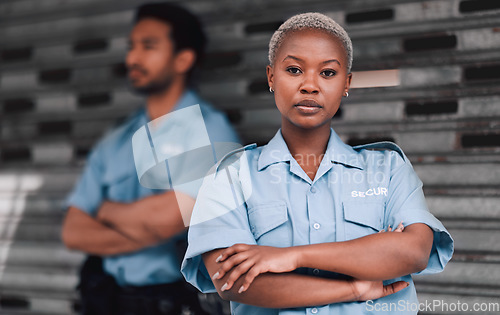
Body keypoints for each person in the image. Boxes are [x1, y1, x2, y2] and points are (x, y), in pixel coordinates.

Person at [181, 12, 454, 314]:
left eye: (327, 73)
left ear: (346, 84)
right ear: (271, 77)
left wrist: (291, 257)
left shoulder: (388, 170)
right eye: (295, 69)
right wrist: (354, 287)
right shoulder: (229, 177)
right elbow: (232, 281)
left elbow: (414, 251)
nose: (310, 85)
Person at [62, 2, 239, 315]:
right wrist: (148, 228)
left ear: (183, 58)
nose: (133, 58)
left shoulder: (210, 130)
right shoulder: (116, 139)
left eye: (148, 46)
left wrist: (105, 210)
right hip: (106, 300)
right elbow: (74, 231)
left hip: (171, 303)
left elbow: (167, 220)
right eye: (131, 46)